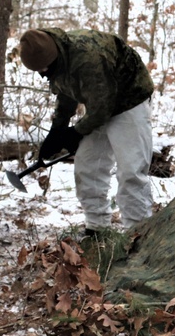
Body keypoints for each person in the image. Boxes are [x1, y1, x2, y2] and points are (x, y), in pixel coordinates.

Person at [18, 28, 155, 232]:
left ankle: (139, 232)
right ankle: (97, 227)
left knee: (131, 169)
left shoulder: (89, 57)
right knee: (88, 165)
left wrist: (76, 133)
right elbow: (66, 93)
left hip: (129, 99)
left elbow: (103, 106)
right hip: (100, 102)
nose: (43, 74)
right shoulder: (57, 58)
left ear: (53, 58)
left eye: (45, 69)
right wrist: (57, 130)